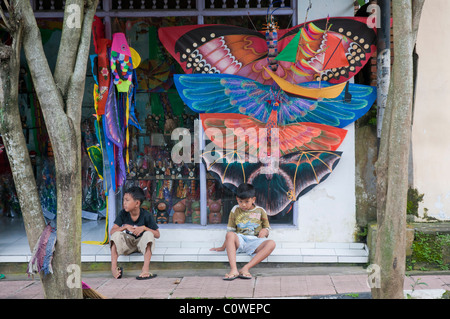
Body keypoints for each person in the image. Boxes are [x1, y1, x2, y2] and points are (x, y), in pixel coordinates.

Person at [210, 183, 276, 280]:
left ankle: (245, 268)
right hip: (240, 240)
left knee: (271, 243)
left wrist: (264, 231)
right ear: (237, 199)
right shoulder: (235, 210)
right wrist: (223, 247)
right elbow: (230, 231)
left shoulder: (260, 211)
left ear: (253, 199)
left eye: (247, 201)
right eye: (240, 201)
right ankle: (233, 270)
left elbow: (267, 228)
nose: (243, 204)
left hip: (254, 241)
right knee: (230, 234)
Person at [110, 186, 160, 280]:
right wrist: (124, 227)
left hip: (141, 245)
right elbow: (112, 232)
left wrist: (144, 228)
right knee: (115, 235)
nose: (124, 203)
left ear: (137, 203)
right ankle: (113, 267)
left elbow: (157, 234)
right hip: (128, 245)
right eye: (124, 200)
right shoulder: (123, 214)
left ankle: (145, 269)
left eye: (127, 200)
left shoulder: (146, 215)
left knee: (149, 234)